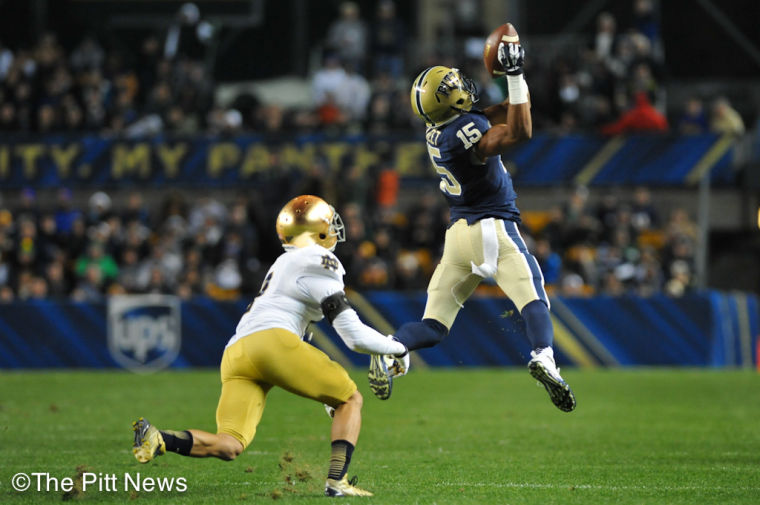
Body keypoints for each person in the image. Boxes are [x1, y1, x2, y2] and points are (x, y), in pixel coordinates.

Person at [131, 195, 408, 497]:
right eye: (329, 223)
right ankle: (336, 483)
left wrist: (327, 396)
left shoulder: (283, 262)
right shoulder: (319, 260)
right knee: (351, 399)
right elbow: (352, 335)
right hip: (273, 343)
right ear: (317, 230)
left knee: (229, 444)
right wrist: (396, 347)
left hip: (237, 352)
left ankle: (159, 438)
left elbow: (303, 342)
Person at [371, 36, 576, 412]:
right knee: (533, 296)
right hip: (491, 227)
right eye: (451, 86)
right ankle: (545, 356)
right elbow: (519, 131)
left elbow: (506, 111)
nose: (461, 86)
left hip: (457, 237)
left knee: (433, 325)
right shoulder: (466, 133)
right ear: (447, 101)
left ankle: (390, 350)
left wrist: (518, 80)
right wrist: (513, 73)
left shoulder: (438, 128)